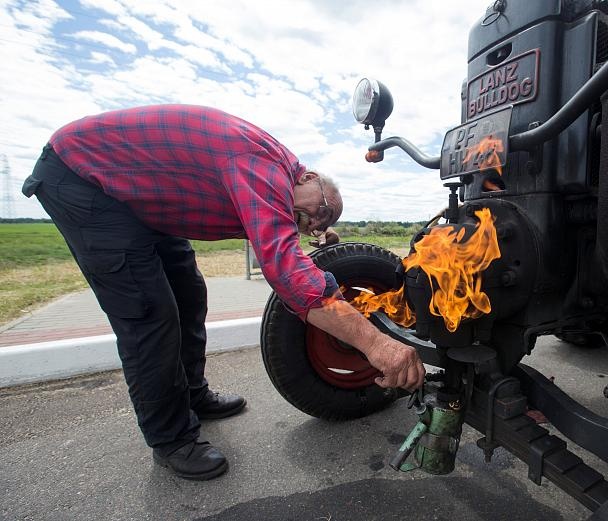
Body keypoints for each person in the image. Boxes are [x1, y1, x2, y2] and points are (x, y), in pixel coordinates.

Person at [22, 104, 425, 481]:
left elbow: (288, 230)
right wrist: (376, 344)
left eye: (322, 223)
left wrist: (316, 227)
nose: (316, 223)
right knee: (149, 313)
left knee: (189, 293)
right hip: (82, 177)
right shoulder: (268, 169)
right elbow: (286, 273)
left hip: (139, 202)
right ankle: (171, 438)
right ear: (307, 176)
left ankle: (193, 395)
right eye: (321, 210)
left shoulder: (282, 180)